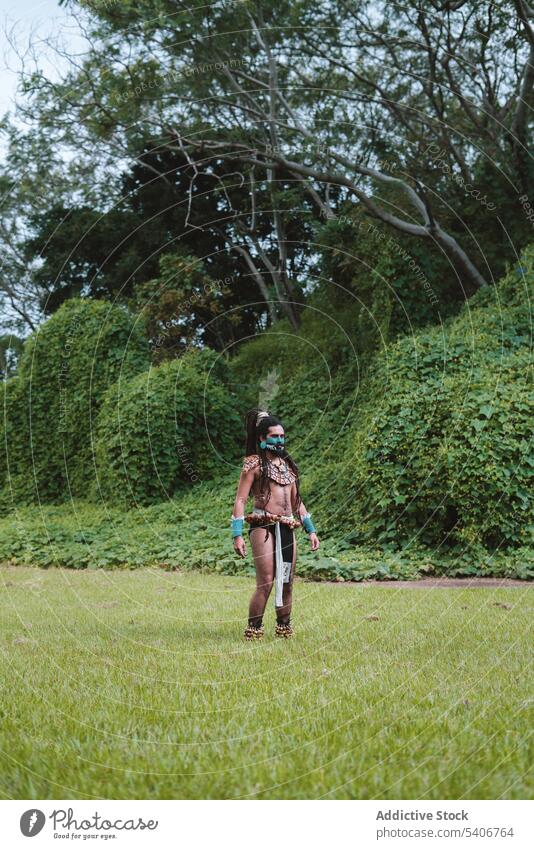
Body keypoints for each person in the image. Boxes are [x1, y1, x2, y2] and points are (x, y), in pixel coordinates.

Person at [231, 409, 320, 640]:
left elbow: (296, 502)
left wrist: (310, 529)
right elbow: (240, 500)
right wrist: (237, 534)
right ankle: (254, 629)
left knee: (287, 581)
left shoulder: (288, 466)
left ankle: (283, 628)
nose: (279, 441)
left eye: (282, 437)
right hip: (263, 527)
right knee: (267, 581)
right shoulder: (254, 465)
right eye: (274, 437)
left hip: (287, 528)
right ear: (262, 439)